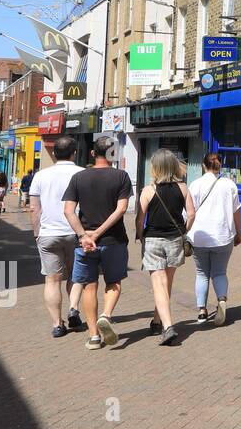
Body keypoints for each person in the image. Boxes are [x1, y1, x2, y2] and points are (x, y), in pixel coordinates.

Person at [63, 136, 133, 350]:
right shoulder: (121, 176)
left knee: (89, 286)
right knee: (113, 282)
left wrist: (85, 236)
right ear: (115, 154)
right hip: (114, 240)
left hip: (85, 245)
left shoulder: (78, 177)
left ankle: (93, 336)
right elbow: (121, 209)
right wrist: (99, 233)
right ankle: (106, 314)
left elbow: (68, 211)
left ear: (93, 153)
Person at [28, 137, 87, 338]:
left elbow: (34, 208)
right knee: (76, 276)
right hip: (76, 232)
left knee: (52, 281)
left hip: (48, 234)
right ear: (74, 153)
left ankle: (57, 324)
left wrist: (37, 233)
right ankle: (73, 310)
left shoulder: (41, 176)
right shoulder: (82, 174)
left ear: (54, 153)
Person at [137, 149, 195, 345]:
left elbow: (140, 218)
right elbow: (192, 214)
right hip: (174, 240)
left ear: (155, 167)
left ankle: (168, 327)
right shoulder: (183, 188)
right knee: (166, 284)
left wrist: (139, 234)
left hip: (153, 240)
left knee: (159, 285)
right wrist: (183, 230)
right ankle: (156, 320)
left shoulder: (148, 190)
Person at [188, 153, 241, 326]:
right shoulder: (230, 185)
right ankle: (222, 300)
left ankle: (202, 311)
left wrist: (185, 233)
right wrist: (238, 233)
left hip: (199, 237)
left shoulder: (195, 185)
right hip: (223, 236)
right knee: (219, 272)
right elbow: (236, 211)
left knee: (202, 273)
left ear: (204, 166)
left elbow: (188, 213)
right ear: (220, 166)